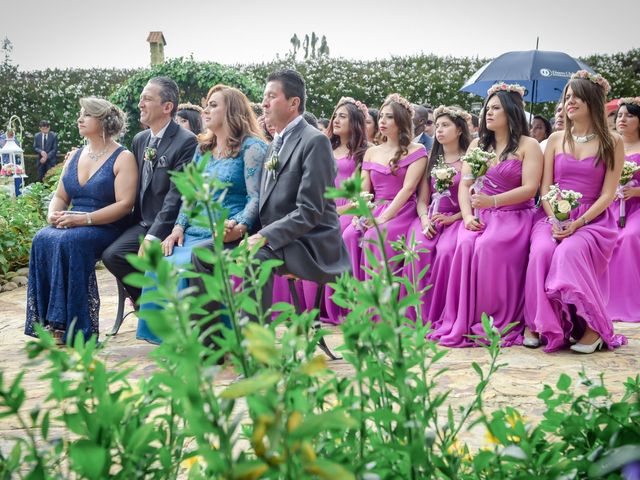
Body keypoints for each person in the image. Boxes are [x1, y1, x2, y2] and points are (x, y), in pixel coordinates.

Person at [191, 69, 350, 325]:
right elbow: (265, 203)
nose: (263, 103)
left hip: (308, 243)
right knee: (201, 253)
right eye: (264, 97)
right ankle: (213, 346)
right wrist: (240, 227)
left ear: (293, 103)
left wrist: (262, 237)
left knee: (254, 259)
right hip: (275, 238)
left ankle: (254, 350)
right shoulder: (275, 142)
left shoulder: (314, 141)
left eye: (271, 96)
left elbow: (310, 210)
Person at [136, 85, 268, 344]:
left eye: (213, 105)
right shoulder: (203, 148)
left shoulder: (251, 148)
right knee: (161, 260)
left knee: (184, 265)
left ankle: (206, 337)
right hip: (193, 229)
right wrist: (177, 228)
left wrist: (239, 226)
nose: (206, 110)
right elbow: (191, 194)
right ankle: (173, 337)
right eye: (206, 105)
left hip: (226, 229)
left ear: (232, 110)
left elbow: (256, 197)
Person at [432, 83, 542, 348]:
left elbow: (530, 189)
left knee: (488, 246)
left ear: (511, 112)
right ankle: (465, 319)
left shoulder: (530, 145)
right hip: (481, 214)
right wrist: (468, 216)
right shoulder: (477, 145)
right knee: (466, 242)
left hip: (515, 215)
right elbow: (466, 185)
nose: (488, 113)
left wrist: (493, 200)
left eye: (496, 108)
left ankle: (497, 319)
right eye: (487, 108)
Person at [523, 71, 625, 353]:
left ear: (592, 100)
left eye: (576, 96)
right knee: (542, 250)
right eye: (567, 96)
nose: (570, 102)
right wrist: (556, 218)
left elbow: (608, 194)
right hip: (551, 216)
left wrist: (578, 222)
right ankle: (538, 323)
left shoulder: (612, 142)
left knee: (569, 252)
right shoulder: (555, 139)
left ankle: (592, 328)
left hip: (593, 219)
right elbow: (544, 188)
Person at [25, 97, 137, 343]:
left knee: (72, 242)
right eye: (80, 113)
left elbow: (125, 205)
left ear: (104, 121)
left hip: (107, 224)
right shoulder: (75, 155)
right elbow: (60, 195)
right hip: (74, 220)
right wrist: (52, 214)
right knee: (42, 238)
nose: (80, 119)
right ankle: (53, 322)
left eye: (87, 114)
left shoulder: (123, 157)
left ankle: (77, 328)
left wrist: (84, 219)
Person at [102, 76, 198, 304]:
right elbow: (133, 183)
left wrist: (154, 236)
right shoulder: (140, 139)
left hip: (169, 224)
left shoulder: (187, 141)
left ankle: (159, 308)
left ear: (167, 107)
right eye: (141, 98)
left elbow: (177, 196)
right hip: (141, 221)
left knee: (127, 256)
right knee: (111, 252)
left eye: (147, 99)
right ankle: (147, 304)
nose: (140, 104)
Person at [342, 93, 427, 281]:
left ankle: (379, 300)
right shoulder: (371, 152)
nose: (382, 121)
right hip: (375, 206)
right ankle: (355, 298)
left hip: (401, 209)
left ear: (401, 120)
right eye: (381, 116)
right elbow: (364, 189)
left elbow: (408, 188)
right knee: (349, 234)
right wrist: (359, 213)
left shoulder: (417, 151)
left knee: (375, 234)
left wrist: (383, 217)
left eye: (389, 117)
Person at [401, 106, 471, 325]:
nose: (439, 130)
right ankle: (414, 314)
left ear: (459, 130)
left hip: (456, 219)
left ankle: (439, 313)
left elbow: (474, 198)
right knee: (416, 249)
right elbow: (422, 200)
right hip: (430, 216)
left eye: (445, 125)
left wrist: (454, 218)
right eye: (437, 125)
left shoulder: (471, 158)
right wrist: (424, 219)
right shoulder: (431, 158)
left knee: (446, 251)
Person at [321, 96, 369, 324]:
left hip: (350, 208)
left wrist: (347, 209)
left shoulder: (362, 152)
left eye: (343, 116)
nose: (336, 120)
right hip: (325, 205)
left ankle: (344, 303)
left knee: (340, 233)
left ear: (355, 122)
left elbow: (364, 189)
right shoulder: (324, 147)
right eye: (335, 116)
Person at [601, 96, 640, 323]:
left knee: (630, 237)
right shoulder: (610, 144)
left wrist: (635, 192)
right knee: (607, 237)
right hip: (612, 205)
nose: (622, 119)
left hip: (636, 207)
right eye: (620, 115)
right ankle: (605, 300)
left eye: (630, 115)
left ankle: (628, 300)